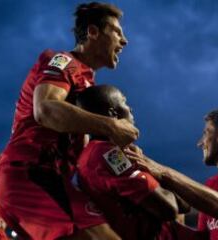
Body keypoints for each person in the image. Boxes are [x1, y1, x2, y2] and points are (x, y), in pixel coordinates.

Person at [0, 2, 138, 240]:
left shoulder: (87, 83)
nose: (124, 41)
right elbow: (46, 109)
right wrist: (111, 126)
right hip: (29, 175)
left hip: (52, 179)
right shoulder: (63, 61)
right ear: (92, 32)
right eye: (117, 31)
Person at [125, 108, 218, 240]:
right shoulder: (211, 185)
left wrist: (162, 172)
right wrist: (156, 222)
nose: (200, 142)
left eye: (206, 133)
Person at [75, 85, 190, 240]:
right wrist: (152, 173)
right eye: (125, 102)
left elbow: (184, 205)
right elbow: (169, 208)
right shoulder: (108, 154)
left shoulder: (92, 153)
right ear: (113, 114)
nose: (131, 109)